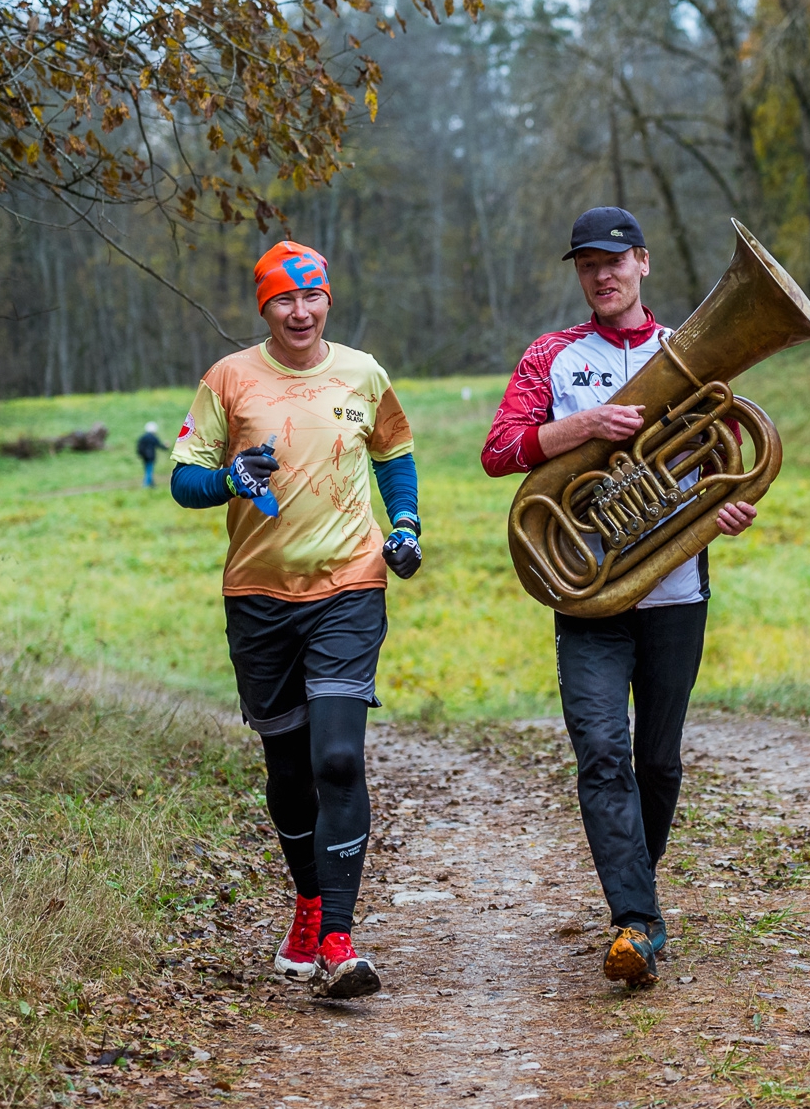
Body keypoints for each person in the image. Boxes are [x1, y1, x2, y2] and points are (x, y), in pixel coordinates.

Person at [481, 207, 758, 988]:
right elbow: (499, 450)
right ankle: (635, 920)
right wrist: (583, 429)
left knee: (657, 764)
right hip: (588, 595)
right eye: (587, 264)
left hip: (675, 590)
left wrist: (726, 507)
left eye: (614, 260)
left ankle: (638, 885)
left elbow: (723, 457)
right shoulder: (552, 355)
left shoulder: (692, 352)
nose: (601, 275)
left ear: (642, 261)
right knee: (602, 753)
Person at [169, 240, 424, 999]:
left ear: (328, 300)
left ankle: (339, 940)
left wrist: (404, 523)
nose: (301, 311)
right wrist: (228, 478)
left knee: (337, 759)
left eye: (312, 296)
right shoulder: (229, 379)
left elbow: (394, 454)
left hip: (349, 586)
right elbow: (184, 481)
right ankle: (309, 903)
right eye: (285, 298)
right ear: (265, 307)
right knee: (287, 770)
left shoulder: (363, 372)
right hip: (258, 598)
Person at [137, 422, 163, 487]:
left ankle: (152, 484)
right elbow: (159, 445)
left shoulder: (143, 437)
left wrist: (140, 454)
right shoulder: (153, 438)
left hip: (144, 457)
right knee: (149, 470)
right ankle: (146, 485)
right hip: (151, 456)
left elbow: (139, 446)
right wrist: (166, 446)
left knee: (147, 469)